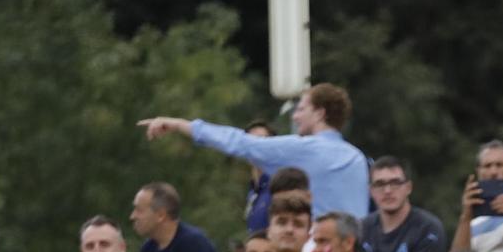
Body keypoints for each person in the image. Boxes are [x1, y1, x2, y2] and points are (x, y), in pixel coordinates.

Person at [141, 85, 367, 221]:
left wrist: (180, 125)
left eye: (300, 109)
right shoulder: (358, 158)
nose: (295, 117)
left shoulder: (306, 149)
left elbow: (240, 143)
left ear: (319, 113)